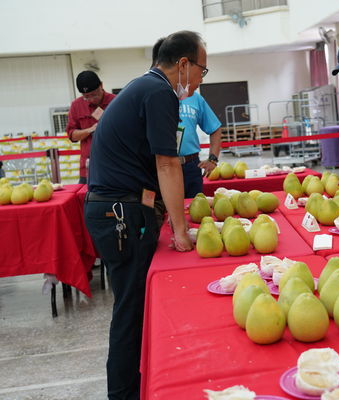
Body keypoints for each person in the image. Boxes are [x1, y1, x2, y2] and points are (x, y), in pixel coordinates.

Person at [84, 30, 201, 399]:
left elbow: (152, 162)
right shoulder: (158, 92)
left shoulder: (144, 88)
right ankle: (123, 394)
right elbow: (166, 163)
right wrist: (181, 231)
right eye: (202, 69)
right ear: (183, 64)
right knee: (130, 312)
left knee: (132, 308)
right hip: (119, 213)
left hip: (118, 207)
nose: (200, 79)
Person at [152, 38, 222, 198]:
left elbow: (215, 128)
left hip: (190, 165)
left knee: (195, 210)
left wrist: (213, 159)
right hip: (162, 167)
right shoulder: (156, 96)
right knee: (166, 214)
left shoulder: (194, 97)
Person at [66, 70, 116, 184]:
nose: (91, 99)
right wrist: (90, 129)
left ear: (101, 86)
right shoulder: (76, 105)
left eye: (94, 94)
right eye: (86, 97)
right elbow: (72, 135)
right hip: (88, 169)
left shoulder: (116, 101)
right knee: (86, 199)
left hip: (113, 165)